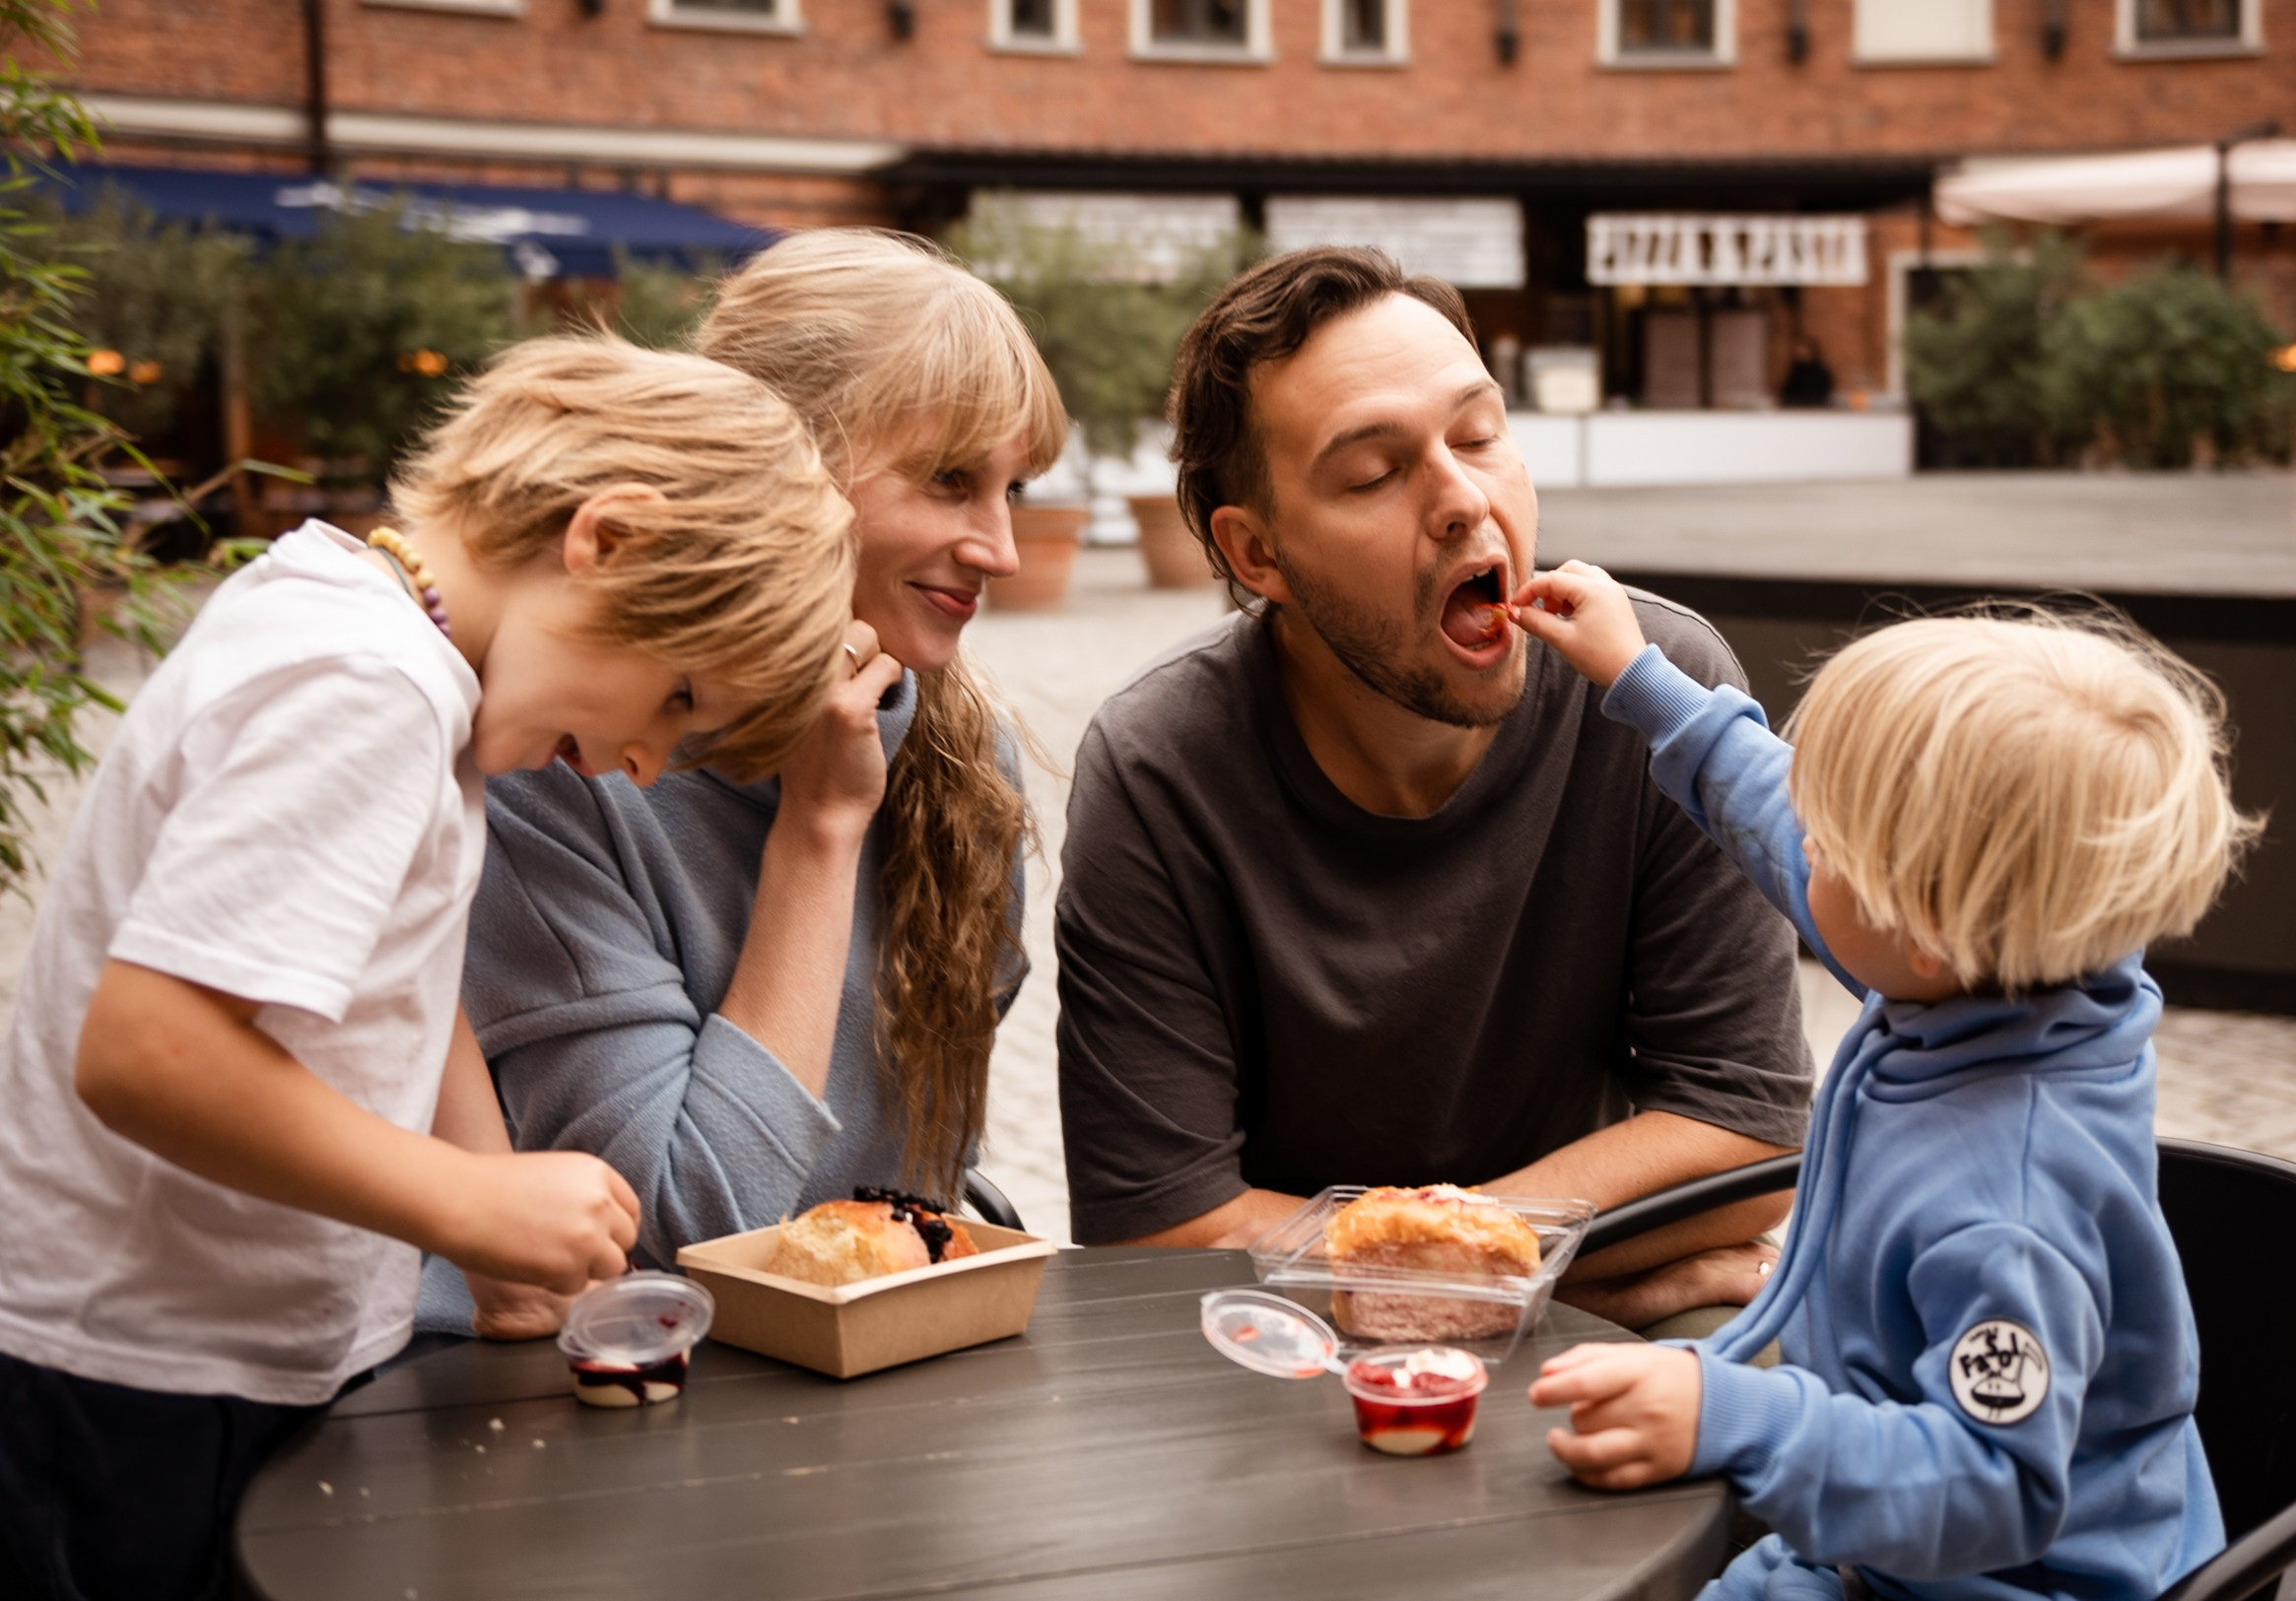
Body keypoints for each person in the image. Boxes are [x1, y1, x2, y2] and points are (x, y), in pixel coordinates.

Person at [0, 334, 858, 1600]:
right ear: (605, 538)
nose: (639, 763)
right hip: (135, 1377)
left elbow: (390, 979)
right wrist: (458, 1209)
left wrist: (488, 1190)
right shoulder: (368, 687)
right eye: (678, 696)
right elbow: (150, 1048)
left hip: (209, 1362)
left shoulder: (386, 649)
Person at [1054, 245, 1816, 1335]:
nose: (1465, 499)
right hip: (1295, 1356)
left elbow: (1751, 1137)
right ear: (1256, 551)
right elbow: (1155, 1233)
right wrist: (1538, 1279)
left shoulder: (1654, 688)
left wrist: (1467, 1264)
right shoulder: (1158, 765)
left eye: (1477, 434)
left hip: (1523, 1326)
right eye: (1373, 473)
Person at [1519, 567, 2253, 1601]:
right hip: (1871, 1528)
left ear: (1928, 921)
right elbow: (1777, 823)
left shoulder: (2008, 1208)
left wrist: (1736, 1417)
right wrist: (1638, 675)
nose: (1797, 837)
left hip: (1993, 1580)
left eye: (1830, 837)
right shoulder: (1999, 969)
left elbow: (1994, 1483)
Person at [416, 231, 1067, 1337]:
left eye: (1015, 489)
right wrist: (818, 828)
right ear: (783, 466)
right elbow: (682, 1246)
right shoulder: (561, 758)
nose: (1000, 547)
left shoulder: (964, 758)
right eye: (951, 480)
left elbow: (914, 1185)